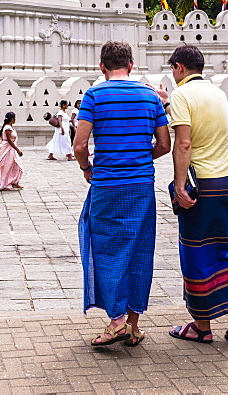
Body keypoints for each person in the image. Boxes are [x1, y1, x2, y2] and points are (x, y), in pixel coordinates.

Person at [75, 40, 170, 349]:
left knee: (104, 248)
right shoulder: (149, 96)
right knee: (139, 250)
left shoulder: (94, 95)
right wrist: (140, 159)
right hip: (141, 186)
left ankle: (116, 322)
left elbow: (79, 145)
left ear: (102, 66)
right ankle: (133, 325)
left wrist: (87, 168)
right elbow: (165, 144)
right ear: (131, 64)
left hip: (107, 186)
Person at [162, 45, 228, 344]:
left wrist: (177, 186)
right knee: (220, 247)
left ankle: (201, 325)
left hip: (202, 184)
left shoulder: (181, 95)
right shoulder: (216, 92)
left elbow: (184, 144)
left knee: (195, 250)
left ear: (178, 68)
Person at [0, 111, 24, 191]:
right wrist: (17, 150)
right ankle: (3, 184)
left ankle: (15, 182)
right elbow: (9, 140)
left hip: (12, 149)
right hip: (8, 149)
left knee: (16, 165)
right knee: (7, 166)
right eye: (14, 118)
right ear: (12, 119)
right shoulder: (7, 128)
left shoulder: (10, 127)